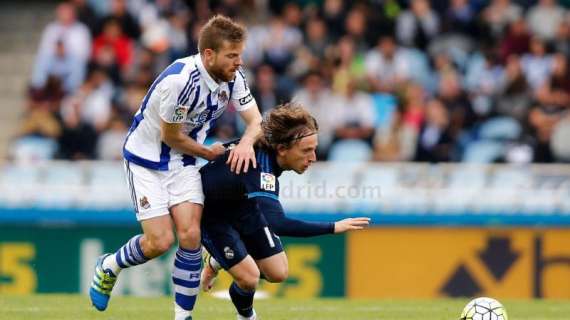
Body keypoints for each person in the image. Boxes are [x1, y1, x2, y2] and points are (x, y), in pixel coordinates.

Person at [89, 15, 263, 320]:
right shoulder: (180, 81)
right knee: (160, 242)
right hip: (147, 160)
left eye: (240, 55)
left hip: (183, 161)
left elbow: (256, 121)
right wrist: (208, 153)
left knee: (190, 235)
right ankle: (110, 266)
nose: (238, 62)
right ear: (209, 54)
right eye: (232, 55)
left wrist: (247, 142)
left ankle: (182, 317)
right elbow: (170, 135)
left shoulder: (234, 78)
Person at [198, 103, 370, 320]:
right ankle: (247, 316)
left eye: (314, 149)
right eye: (307, 150)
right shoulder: (261, 168)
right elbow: (276, 223)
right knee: (250, 278)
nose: (313, 158)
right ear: (282, 149)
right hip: (214, 214)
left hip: (242, 205)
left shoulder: (265, 156)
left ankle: (216, 260)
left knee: (278, 272)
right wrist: (333, 227)